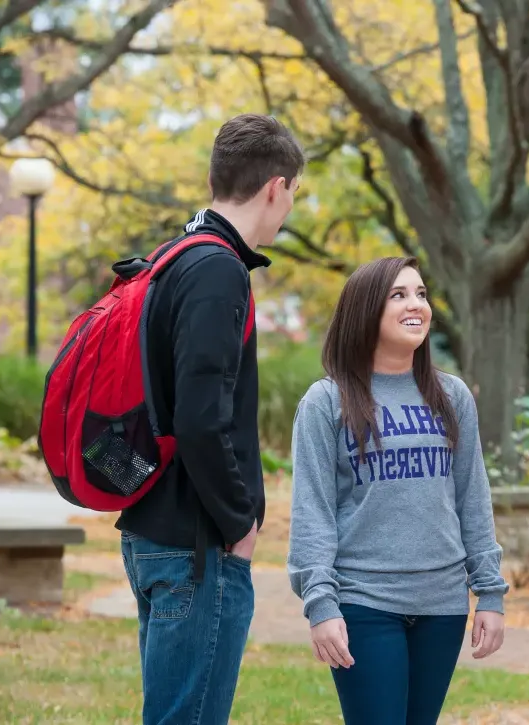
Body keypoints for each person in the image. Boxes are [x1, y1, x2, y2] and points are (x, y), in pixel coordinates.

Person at [116, 113, 304, 724]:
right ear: (276, 185)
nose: (288, 209)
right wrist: (238, 520)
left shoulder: (173, 257)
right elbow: (201, 419)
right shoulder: (219, 270)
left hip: (157, 529)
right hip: (196, 546)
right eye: (293, 194)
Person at [287, 256, 509, 725]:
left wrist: (489, 593)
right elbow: (313, 513)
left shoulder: (452, 396)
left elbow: (472, 497)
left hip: (443, 603)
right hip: (364, 600)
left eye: (422, 294)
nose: (417, 305)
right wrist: (321, 605)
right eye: (399, 294)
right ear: (366, 310)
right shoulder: (326, 401)